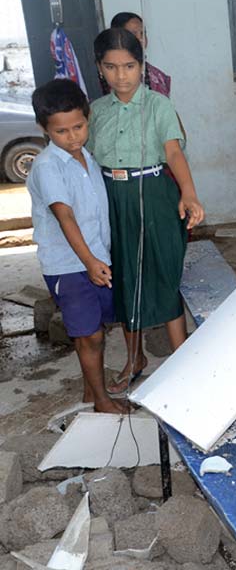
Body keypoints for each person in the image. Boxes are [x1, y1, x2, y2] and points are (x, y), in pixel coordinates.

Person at [88, 27, 204, 394]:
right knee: (124, 276)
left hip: (153, 192)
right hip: (111, 195)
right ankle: (134, 357)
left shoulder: (158, 105)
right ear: (99, 69)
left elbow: (172, 151)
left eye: (129, 66)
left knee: (163, 270)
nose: (121, 76)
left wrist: (188, 193)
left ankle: (183, 356)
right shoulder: (95, 111)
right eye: (111, 67)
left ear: (142, 66)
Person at [27, 79, 128, 414]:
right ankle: (101, 401)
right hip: (69, 265)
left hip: (95, 257)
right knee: (90, 335)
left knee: (95, 328)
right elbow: (64, 215)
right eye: (62, 132)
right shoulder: (48, 166)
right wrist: (89, 261)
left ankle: (90, 390)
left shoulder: (86, 156)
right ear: (44, 129)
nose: (72, 137)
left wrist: (100, 256)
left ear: (88, 118)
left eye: (79, 127)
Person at [98, 12, 171, 97]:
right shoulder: (103, 77)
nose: (141, 39)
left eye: (142, 33)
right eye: (133, 34)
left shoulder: (157, 76)